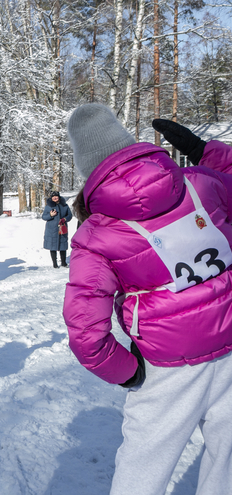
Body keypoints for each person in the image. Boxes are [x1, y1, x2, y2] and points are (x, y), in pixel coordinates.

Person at [63, 102, 232, 495]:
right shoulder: (200, 182)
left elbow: (86, 333)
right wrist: (206, 151)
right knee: (227, 456)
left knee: (144, 463)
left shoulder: (95, 234)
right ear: (128, 143)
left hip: (167, 364)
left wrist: (127, 370)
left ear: (87, 169)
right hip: (229, 344)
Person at [42, 191, 72, 268]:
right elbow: (44, 217)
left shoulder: (64, 205)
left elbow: (70, 215)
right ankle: (55, 264)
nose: (55, 198)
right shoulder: (48, 206)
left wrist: (65, 219)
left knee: (63, 246)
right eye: (53, 197)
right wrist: (50, 215)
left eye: (56, 196)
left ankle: (64, 262)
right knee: (52, 246)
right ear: (51, 198)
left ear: (59, 197)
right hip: (51, 229)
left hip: (62, 228)